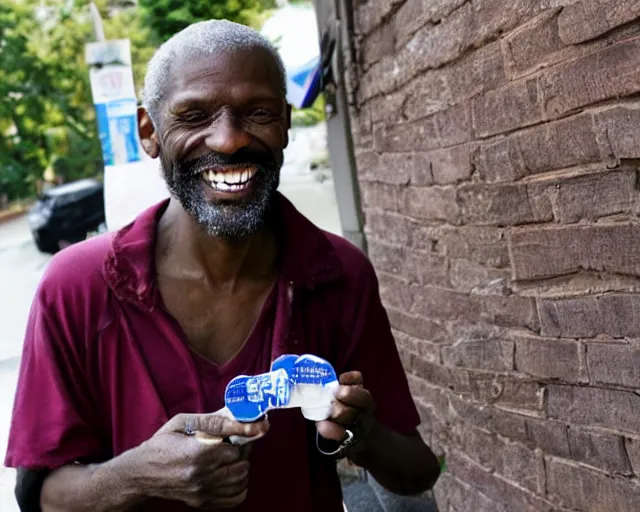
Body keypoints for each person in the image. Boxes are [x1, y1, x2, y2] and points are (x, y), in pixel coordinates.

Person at [5, 20, 440, 512]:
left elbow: (416, 472)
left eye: (257, 112)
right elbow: (40, 498)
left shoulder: (339, 273)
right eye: (193, 115)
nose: (230, 140)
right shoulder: (76, 288)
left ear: (286, 125)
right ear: (149, 131)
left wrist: (363, 435)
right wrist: (136, 475)